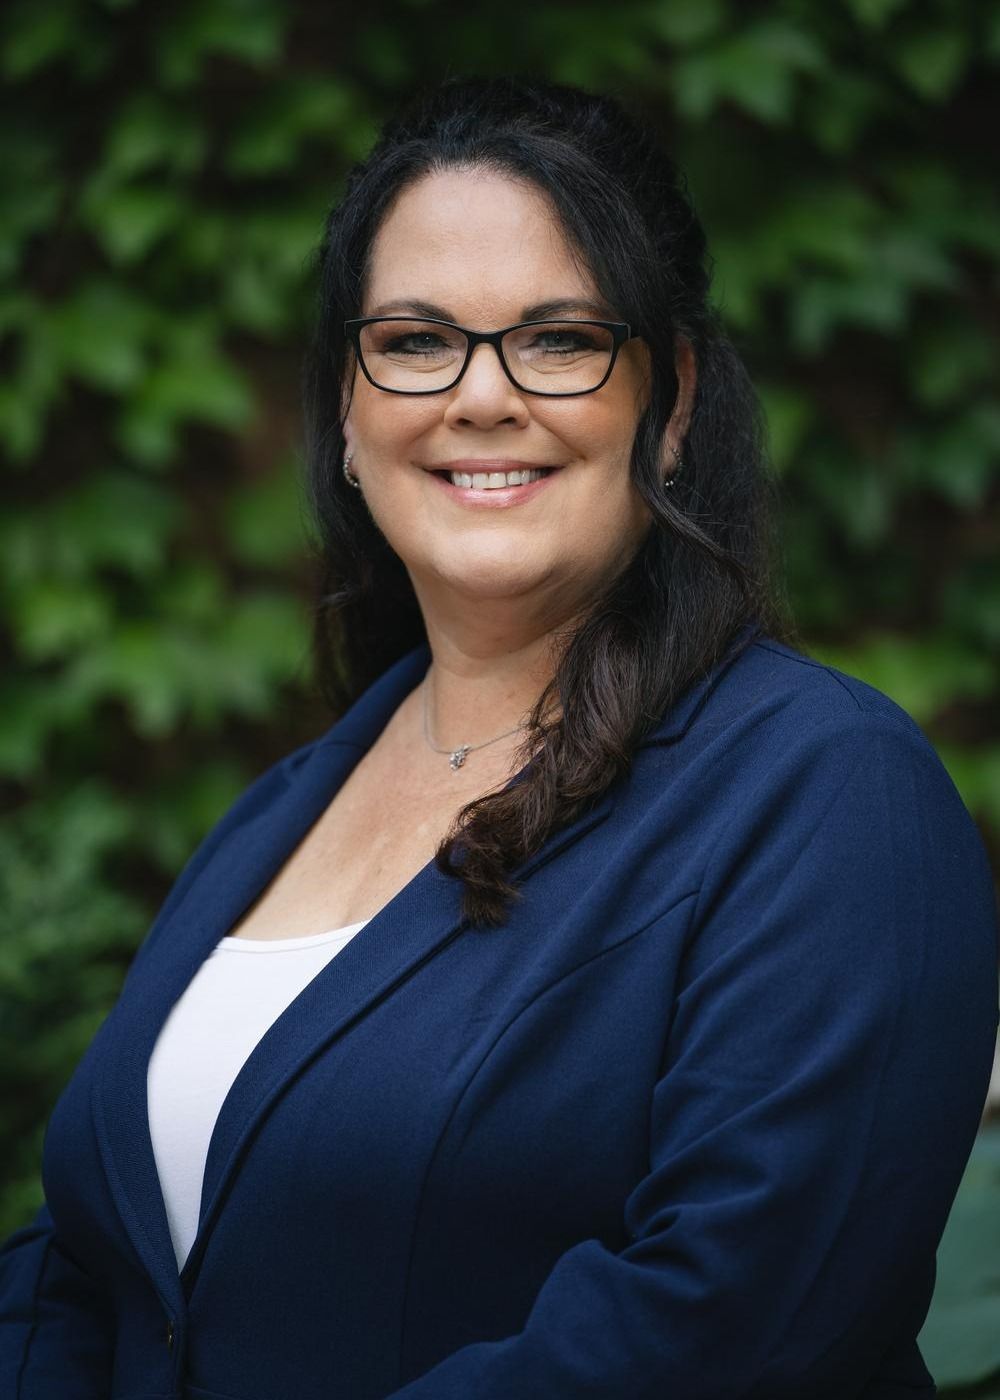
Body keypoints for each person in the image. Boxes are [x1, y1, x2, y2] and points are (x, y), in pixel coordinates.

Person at [1, 75, 996, 1400]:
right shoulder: (282, 812)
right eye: (414, 341)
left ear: (675, 398)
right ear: (348, 418)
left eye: (559, 338)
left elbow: (723, 1329)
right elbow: (88, 1263)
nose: (480, 396)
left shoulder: (828, 794)